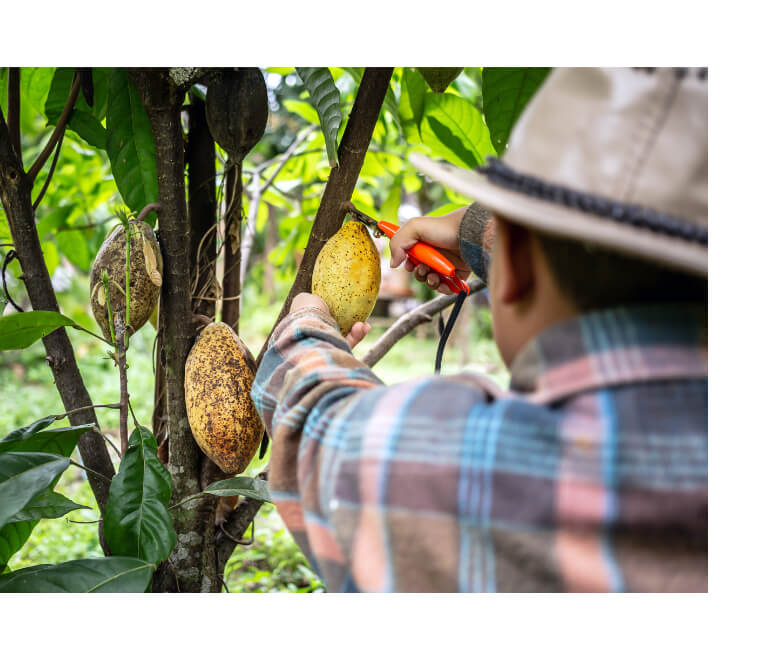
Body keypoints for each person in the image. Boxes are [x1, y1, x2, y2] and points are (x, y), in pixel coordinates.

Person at [251, 68, 707, 592]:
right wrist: (479, 232)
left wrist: (305, 322)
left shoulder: (488, 473)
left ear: (514, 264)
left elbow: (322, 427)